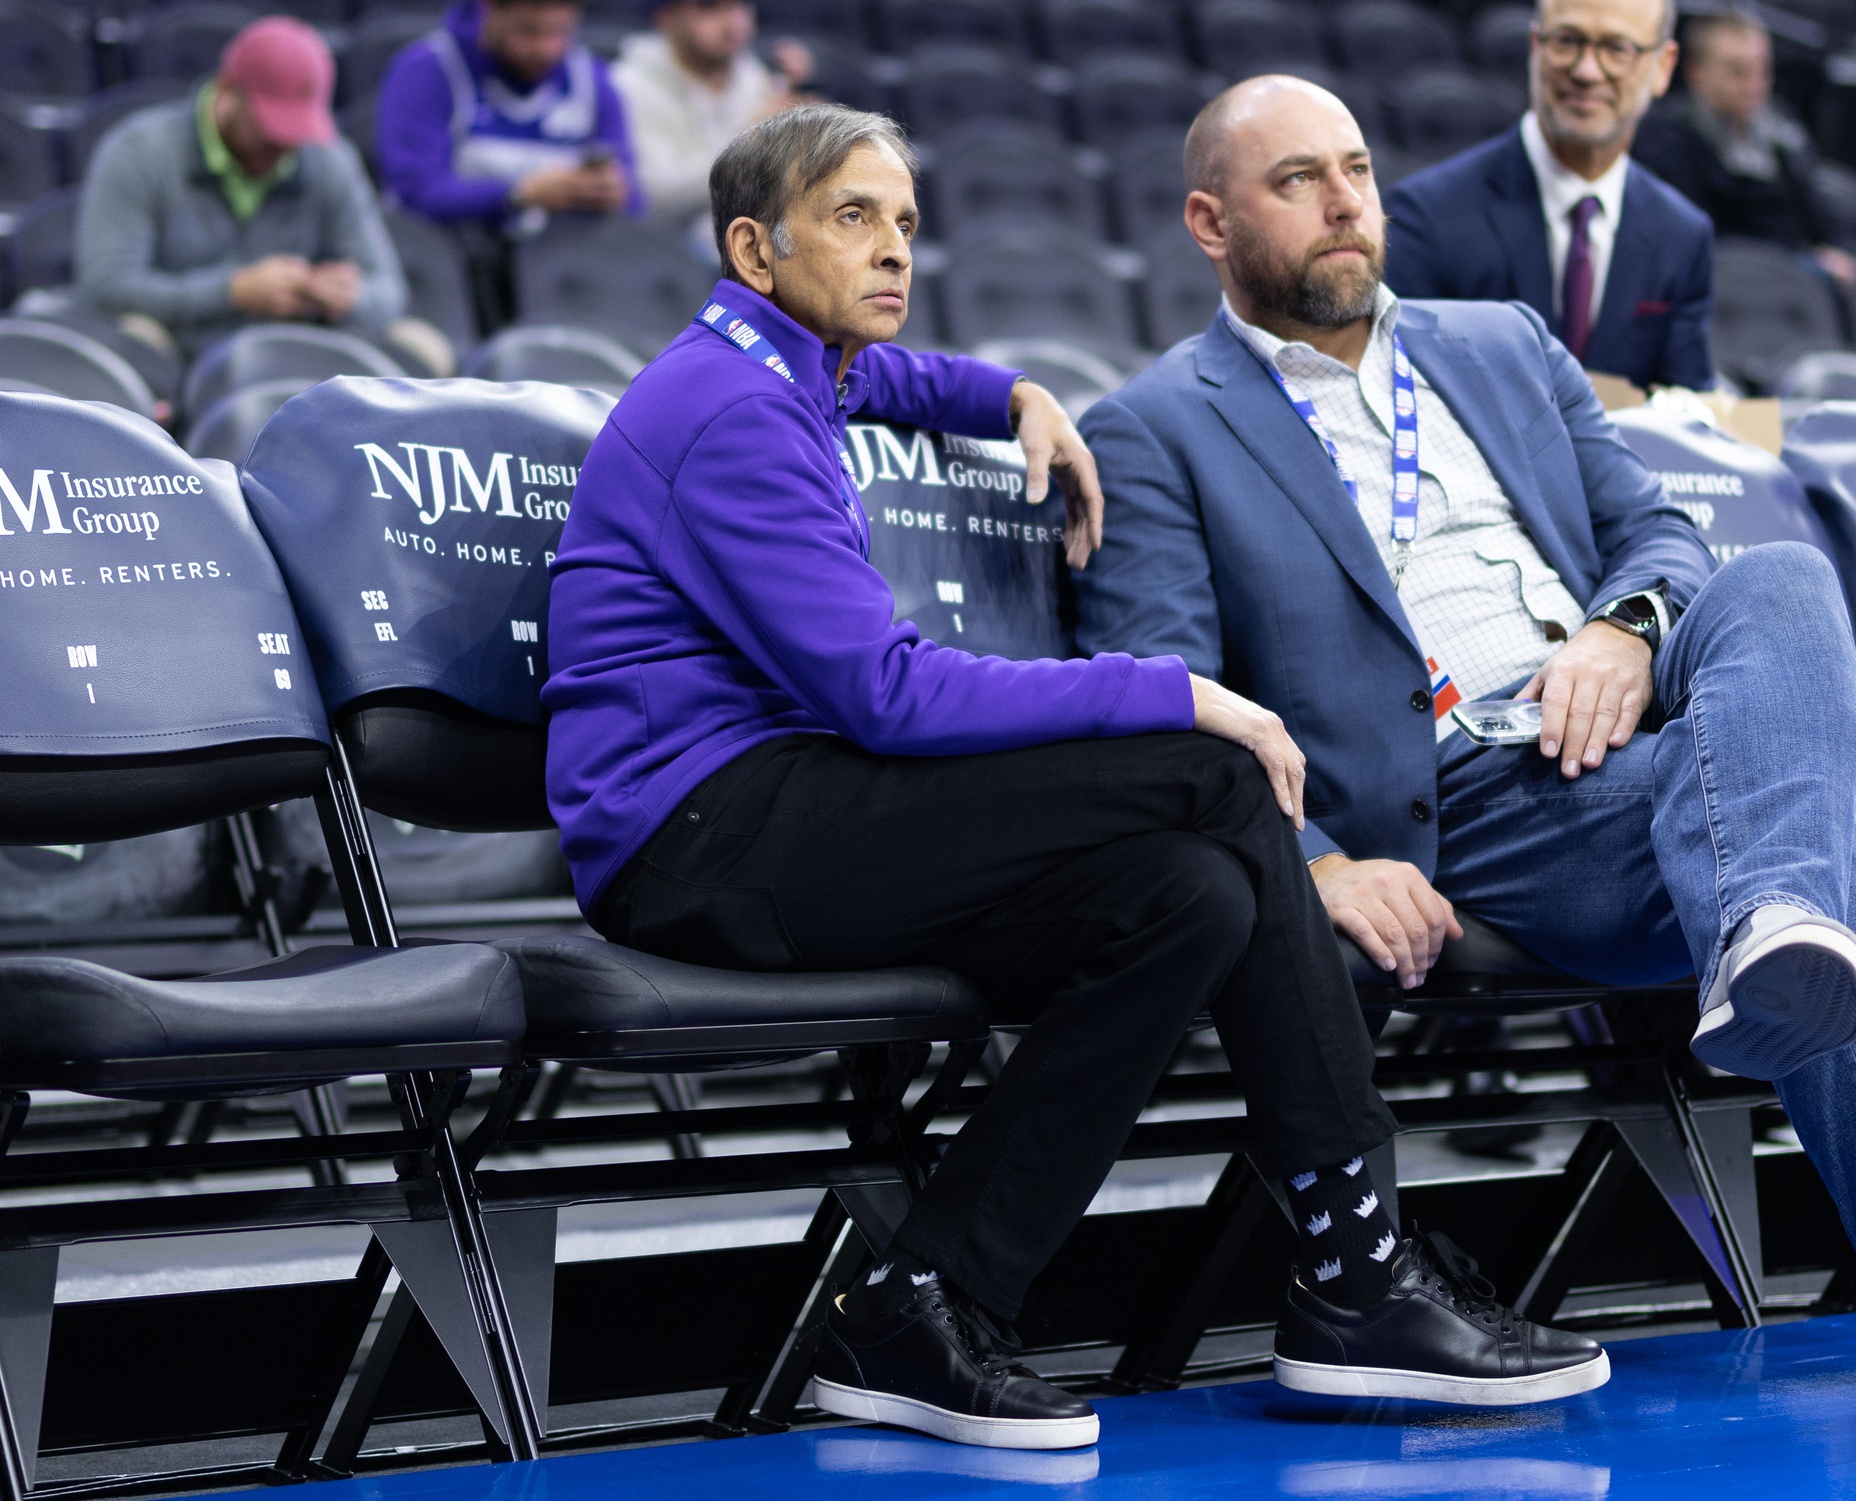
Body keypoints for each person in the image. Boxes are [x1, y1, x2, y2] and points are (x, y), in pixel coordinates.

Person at [1073, 73, 1856, 1432]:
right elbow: (1174, 695)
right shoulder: (1156, 425)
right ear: (1209, 223)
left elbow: (1661, 535)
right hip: (1460, 796)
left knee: (1780, 578)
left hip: (1618, 720)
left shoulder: (1496, 343)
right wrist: (1310, 862)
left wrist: (1621, 633)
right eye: (1297, 183)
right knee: (1793, 845)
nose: (1344, 206)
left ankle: (1771, 925)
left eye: (1358, 169)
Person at [544, 102, 1616, 1452]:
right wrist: (1180, 691)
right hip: (700, 837)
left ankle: (921, 1303)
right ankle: (1356, 1268)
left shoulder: (784, 363)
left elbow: (888, 379)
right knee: (1208, 777)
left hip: (776, 812)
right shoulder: (731, 416)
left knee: (1187, 898)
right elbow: (887, 694)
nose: (895, 252)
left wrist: (1008, 394)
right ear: (754, 251)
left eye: (908, 223)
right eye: (853, 219)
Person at [1385, 0, 1714, 391]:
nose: (1587, 71)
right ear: (1534, 48)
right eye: (1567, 41)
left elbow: (1687, 415)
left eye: (1616, 49)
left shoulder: (1682, 236)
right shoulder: (1426, 216)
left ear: (1663, 67)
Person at [74, 16, 405, 357]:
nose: (284, 146)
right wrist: (232, 291)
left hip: (290, 354)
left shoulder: (327, 159)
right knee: (136, 335)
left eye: (296, 133)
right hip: (175, 354)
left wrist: (349, 297)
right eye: (272, 128)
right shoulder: (140, 152)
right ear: (227, 92)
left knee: (416, 342)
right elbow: (107, 288)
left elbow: (388, 290)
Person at [1631, 7, 1856, 288]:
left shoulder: (1781, 134)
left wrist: (1837, 255)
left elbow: (1825, 222)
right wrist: (1802, 264)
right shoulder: (1664, 140)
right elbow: (1691, 241)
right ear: (1696, 72)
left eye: (1762, 71)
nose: (1754, 85)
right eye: (1737, 72)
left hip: (1795, 294)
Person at [377, 0, 641, 235]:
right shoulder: (427, 71)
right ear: (489, 10)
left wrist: (611, 193)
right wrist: (519, 193)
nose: (546, 49)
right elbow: (415, 193)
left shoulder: (592, 80)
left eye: (560, 32)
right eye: (528, 31)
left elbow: (635, 199)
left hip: (558, 271)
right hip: (451, 261)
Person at [611, 0, 811, 226]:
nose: (732, 23)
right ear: (667, 17)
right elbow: (652, 200)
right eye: (709, 7)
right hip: (668, 250)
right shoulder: (627, 86)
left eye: (740, 6)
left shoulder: (756, 76)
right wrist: (749, 141)